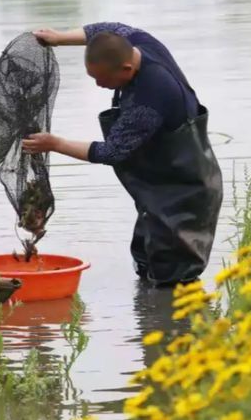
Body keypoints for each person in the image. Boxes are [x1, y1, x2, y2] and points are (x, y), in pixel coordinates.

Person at [23, 22, 223, 287]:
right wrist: (59, 38)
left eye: (102, 79)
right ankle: (148, 315)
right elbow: (105, 29)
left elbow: (112, 151)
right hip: (158, 192)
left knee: (173, 282)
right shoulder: (142, 42)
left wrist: (55, 143)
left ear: (126, 69)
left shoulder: (149, 99)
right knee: (144, 262)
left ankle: (172, 323)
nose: (98, 85)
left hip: (185, 198)